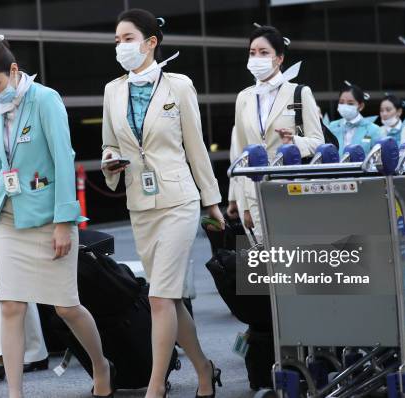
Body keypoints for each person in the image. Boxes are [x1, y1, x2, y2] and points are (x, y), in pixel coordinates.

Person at [0, 36, 114, 398]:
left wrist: (65, 222)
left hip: (48, 219)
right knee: (10, 305)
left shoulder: (44, 99)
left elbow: (62, 158)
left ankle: (101, 364)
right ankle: (15, 392)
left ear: (13, 70)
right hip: (5, 219)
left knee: (66, 308)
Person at [101, 9, 224, 398]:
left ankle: (156, 386)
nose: (121, 46)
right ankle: (204, 367)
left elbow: (196, 146)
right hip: (140, 202)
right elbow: (109, 142)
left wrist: (212, 201)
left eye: (128, 38)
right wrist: (109, 162)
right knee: (167, 296)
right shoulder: (112, 90)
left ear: (151, 42)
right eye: (117, 40)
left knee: (157, 297)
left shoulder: (179, 85)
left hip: (178, 199)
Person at [0, 91, 49, 380]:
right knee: (10, 287)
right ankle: (14, 352)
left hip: (29, 205)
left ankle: (22, 350)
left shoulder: (33, 108)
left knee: (14, 286)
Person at [230, 25, 324, 242]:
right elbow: (240, 154)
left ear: (279, 58)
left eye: (264, 53)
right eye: (252, 53)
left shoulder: (299, 92)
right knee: (268, 265)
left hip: (292, 189)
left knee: (294, 260)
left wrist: (295, 141)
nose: (256, 58)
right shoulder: (244, 97)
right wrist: (242, 204)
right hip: (254, 194)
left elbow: (319, 143)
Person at [328, 82, 383, 157]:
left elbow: (378, 158)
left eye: (350, 103)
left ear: (361, 106)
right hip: (335, 168)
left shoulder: (373, 130)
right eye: (341, 102)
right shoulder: (332, 127)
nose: (345, 106)